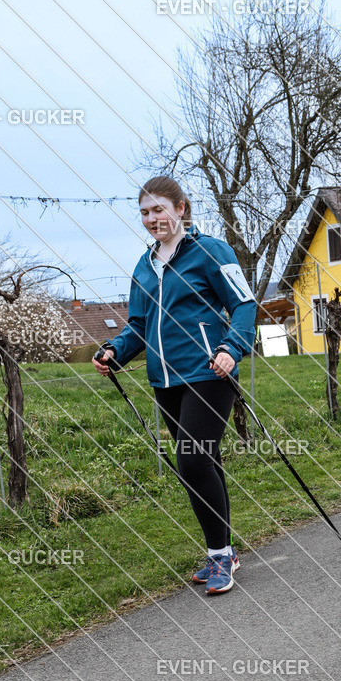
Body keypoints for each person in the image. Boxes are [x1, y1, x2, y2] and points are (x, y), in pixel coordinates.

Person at [93, 175, 256, 594]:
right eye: (145, 212)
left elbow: (243, 305)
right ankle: (225, 550)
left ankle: (220, 557)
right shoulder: (144, 266)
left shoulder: (211, 251)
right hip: (164, 380)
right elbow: (139, 326)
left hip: (209, 372)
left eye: (159, 210)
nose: (152, 219)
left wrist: (231, 348)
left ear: (181, 208)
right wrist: (115, 350)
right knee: (204, 463)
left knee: (191, 460)